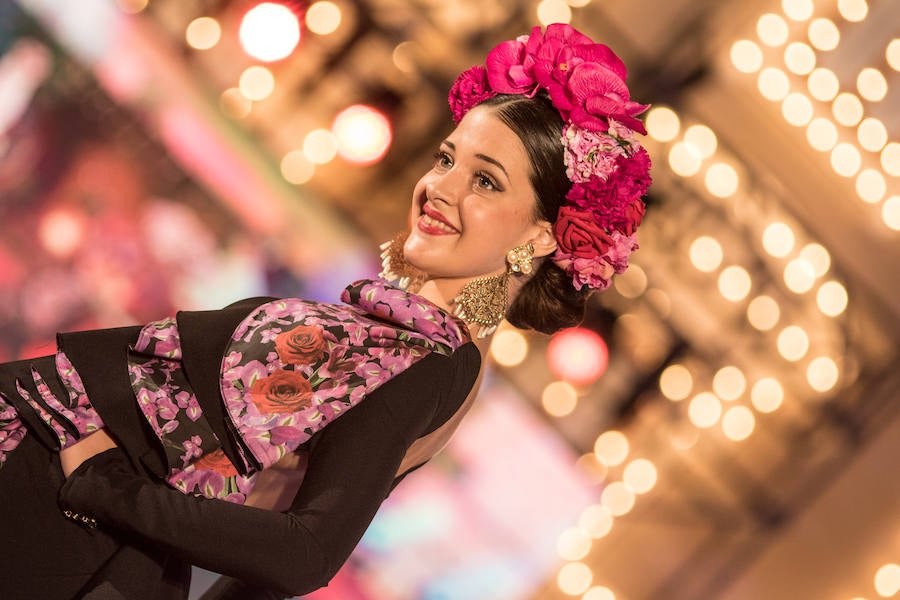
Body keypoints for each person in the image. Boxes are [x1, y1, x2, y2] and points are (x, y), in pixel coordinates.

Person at [0, 23, 651, 600]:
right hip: (45, 464)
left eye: (484, 180)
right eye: (446, 159)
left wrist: (106, 486)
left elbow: (305, 553)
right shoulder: (405, 339)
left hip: (53, 489)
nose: (439, 187)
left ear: (539, 234)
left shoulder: (433, 360)